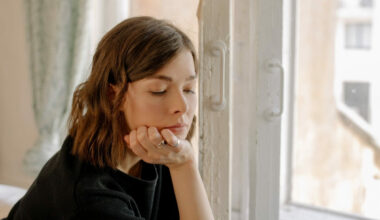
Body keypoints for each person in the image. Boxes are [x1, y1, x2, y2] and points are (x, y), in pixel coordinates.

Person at [5, 16, 214, 220]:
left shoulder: (159, 149)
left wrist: (184, 164)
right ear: (113, 95)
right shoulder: (89, 197)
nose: (182, 106)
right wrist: (184, 166)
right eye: (159, 91)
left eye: (189, 89)